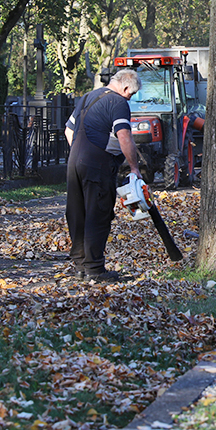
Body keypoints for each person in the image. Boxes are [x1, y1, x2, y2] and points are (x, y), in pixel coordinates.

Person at [63, 69, 144, 282]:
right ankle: (95, 269)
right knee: (97, 214)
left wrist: (81, 155)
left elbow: (68, 131)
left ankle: (80, 267)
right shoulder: (118, 103)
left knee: (77, 213)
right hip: (97, 165)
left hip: (74, 162)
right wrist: (134, 168)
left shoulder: (88, 97)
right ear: (126, 88)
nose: (130, 98)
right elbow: (124, 136)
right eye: (131, 94)